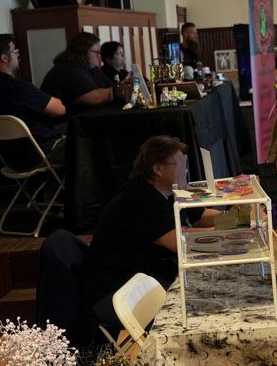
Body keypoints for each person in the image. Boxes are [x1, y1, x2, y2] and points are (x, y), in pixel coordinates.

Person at [81, 135, 224, 330]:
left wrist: (238, 218)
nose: (185, 170)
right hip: (118, 292)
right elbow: (182, 242)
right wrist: (232, 229)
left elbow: (200, 215)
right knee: (202, 304)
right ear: (158, 169)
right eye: (179, 164)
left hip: (143, 279)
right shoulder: (141, 200)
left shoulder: (166, 192)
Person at [0, 33, 65, 149]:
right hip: (39, 151)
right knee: (85, 139)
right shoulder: (18, 88)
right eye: (15, 51)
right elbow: (60, 109)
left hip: (7, 156)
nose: (18, 54)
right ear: (4, 58)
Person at [41, 32, 113, 112]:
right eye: (96, 53)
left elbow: (110, 86)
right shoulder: (68, 69)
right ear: (83, 52)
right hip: (65, 122)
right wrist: (119, 91)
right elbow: (94, 98)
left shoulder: (92, 68)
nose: (100, 56)